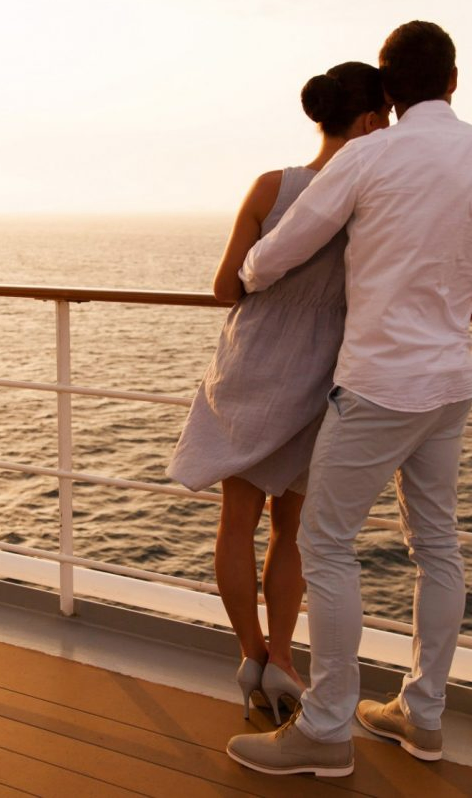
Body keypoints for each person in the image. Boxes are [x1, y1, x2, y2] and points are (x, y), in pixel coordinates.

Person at [227, 20, 472, 778]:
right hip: (452, 381)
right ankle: (421, 715)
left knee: (325, 545)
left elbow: (282, 247)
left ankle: (326, 729)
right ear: (453, 80)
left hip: (379, 385)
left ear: (389, 90)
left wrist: (251, 277)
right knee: (437, 545)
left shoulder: (371, 154)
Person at [167, 63, 390, 723]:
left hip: (248, 369)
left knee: (235, 522)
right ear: (370, 120)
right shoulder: (369, 199)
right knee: (290, 530)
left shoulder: (272, 186)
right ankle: (284, 661)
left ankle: (251, 655)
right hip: (318, 379)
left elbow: (224, 288)